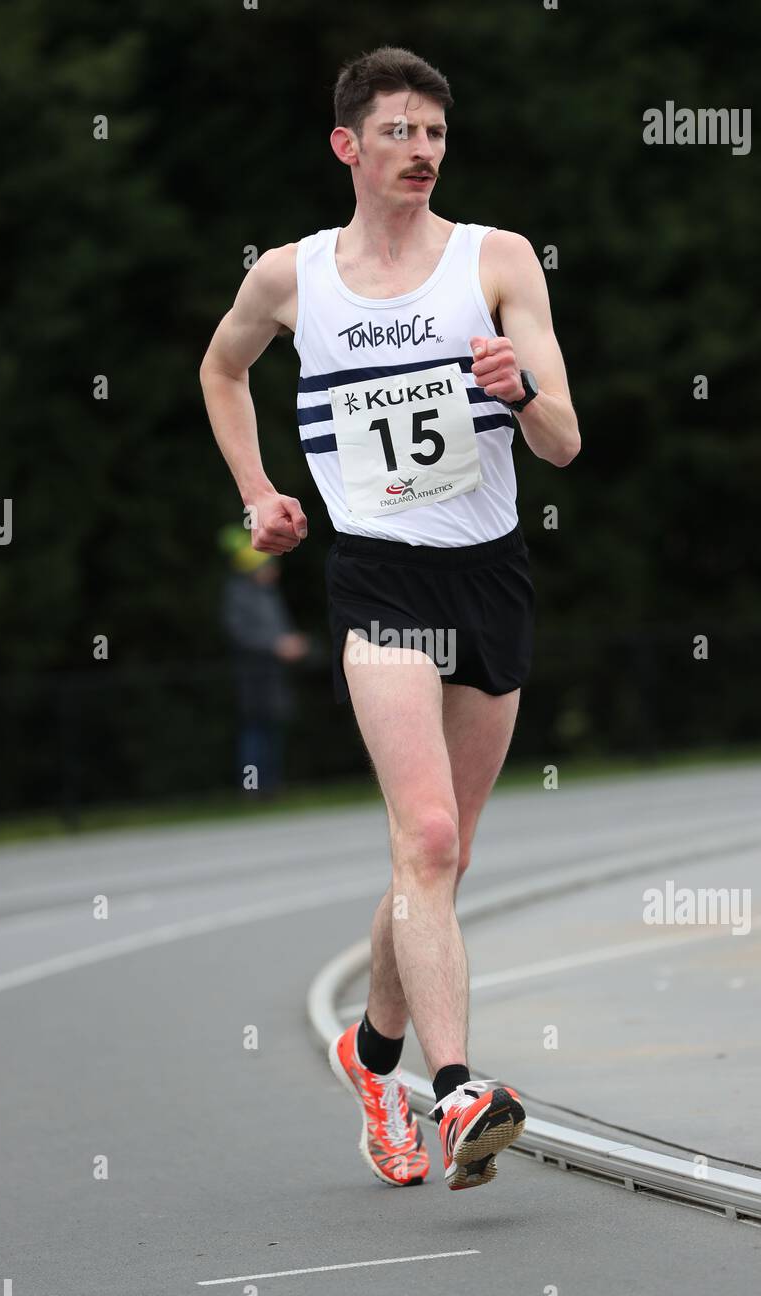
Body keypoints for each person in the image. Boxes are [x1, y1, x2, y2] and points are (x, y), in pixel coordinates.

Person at [199, 46, 580, 1192]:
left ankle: (369, 1057)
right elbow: (221, 373)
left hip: (490, 575)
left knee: (443, 860)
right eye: (398, 132)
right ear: (346, 146)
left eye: (433, 135)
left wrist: (520, 391)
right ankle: (456, 1084)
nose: (419, 152)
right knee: (421, 839)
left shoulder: (496, 260)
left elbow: (563, 439)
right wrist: (258, 494)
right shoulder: (290, 278)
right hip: (378, 581)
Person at [218, 526, 309, 796]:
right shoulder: (238, 593)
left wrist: (290, 643)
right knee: (255, 730)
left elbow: (278, 628)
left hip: (273, 675)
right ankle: (253, 788)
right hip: (253, 675)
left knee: (272, 728)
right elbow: (239, 633)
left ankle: (272, 785)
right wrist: (275, 646)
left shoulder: (268, 594)